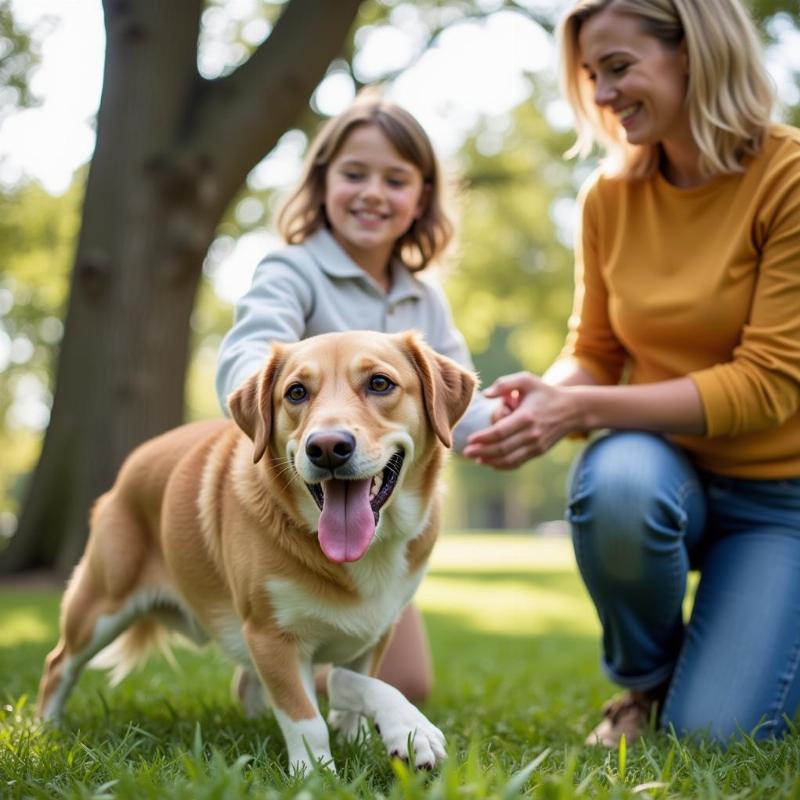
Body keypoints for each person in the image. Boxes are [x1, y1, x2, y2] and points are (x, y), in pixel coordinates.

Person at [464, 0, 800, 745]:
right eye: (591, 76)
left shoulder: (789, 177)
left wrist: (581, 411)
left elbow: (768, 385)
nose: (602, 95)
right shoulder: (608, 198)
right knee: (616, 484)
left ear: (696, 54)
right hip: (662, 469)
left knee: (715, 735)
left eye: (619, 68)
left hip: (783, 503)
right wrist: (547, 398)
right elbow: (595, 350)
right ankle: (645, 684)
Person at [216, 93, 500, 704]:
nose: (373, 191)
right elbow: (249, 351)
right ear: (321, 184)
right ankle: (277, 649)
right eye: (353, 174)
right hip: (295, 514)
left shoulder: (424, 301)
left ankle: (265, 680)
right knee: (350, 673)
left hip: (378, 516)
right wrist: (276, 398)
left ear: (421, 197)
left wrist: (538, 416)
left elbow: (464, 411)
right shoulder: (290, 271)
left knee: (410, 686)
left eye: (395, 179)